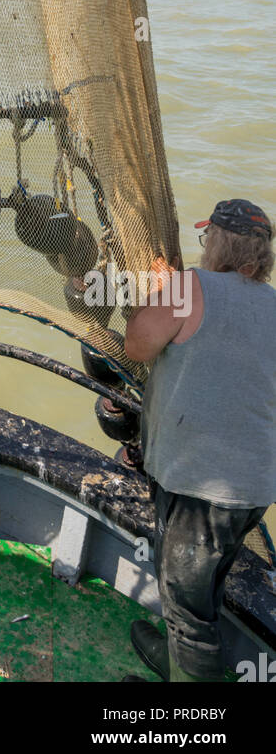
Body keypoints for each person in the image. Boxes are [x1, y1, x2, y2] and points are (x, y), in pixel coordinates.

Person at [122, 198, 275, 682]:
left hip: (198, 490)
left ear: (217, 243)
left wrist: (166, 289)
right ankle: (176, 660)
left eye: (207, 237)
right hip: (254, 490)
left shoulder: (189, 287)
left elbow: (137, 345)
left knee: (187, 611)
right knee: (205, 583)